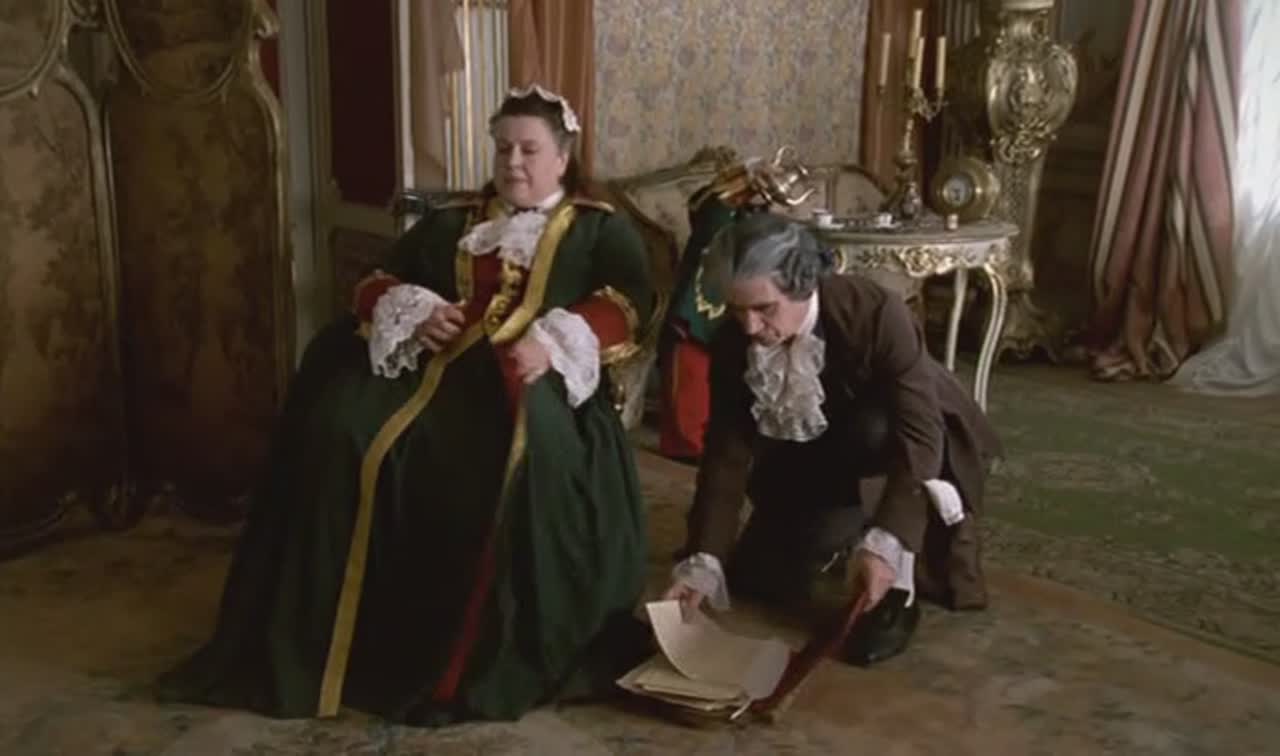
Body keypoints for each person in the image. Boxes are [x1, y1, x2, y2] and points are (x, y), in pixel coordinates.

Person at [156, 85, 654, 724]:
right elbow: (374, 282)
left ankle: (468, 659)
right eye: (503, 148)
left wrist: (557, 340)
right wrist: (411, 310)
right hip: (429, 375)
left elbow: (629, 304)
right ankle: (328, 638)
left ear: (562, 157)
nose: (513, 162)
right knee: (339, 427)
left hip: (532, 379)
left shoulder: (599, 229)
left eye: (529, 150)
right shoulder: (454, 222)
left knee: (508, 457)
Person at [663, 213, 1000, 665]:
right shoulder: (735, 341)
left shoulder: (876, 314)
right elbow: (726, 453)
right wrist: (703, 558)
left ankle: (896, 581)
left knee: (874, 432)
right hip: (817, 453)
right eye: (738, 310)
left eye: (764, 309)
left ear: (802, 285)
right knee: (758, 578)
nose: (749, 327)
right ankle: (835, 531)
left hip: (901, 450)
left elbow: (919, 436)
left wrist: (887, 538)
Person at [658, 152, 813, 461]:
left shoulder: (754, 219)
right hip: (698, 304)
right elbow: (702, 208)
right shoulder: (713, 209)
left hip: (736, 305)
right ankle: (688, 443)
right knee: (690, 372)